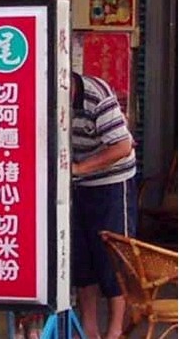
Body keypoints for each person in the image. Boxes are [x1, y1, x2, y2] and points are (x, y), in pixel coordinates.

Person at [71, 71, 137, 339]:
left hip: (112, 183)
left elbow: (123, 146)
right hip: (77, 186)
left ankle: (115, 330)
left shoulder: (95, 95)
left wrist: (80, 168)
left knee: (112, 258)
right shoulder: (45, 99)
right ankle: (90, 330)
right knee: (82, 259)